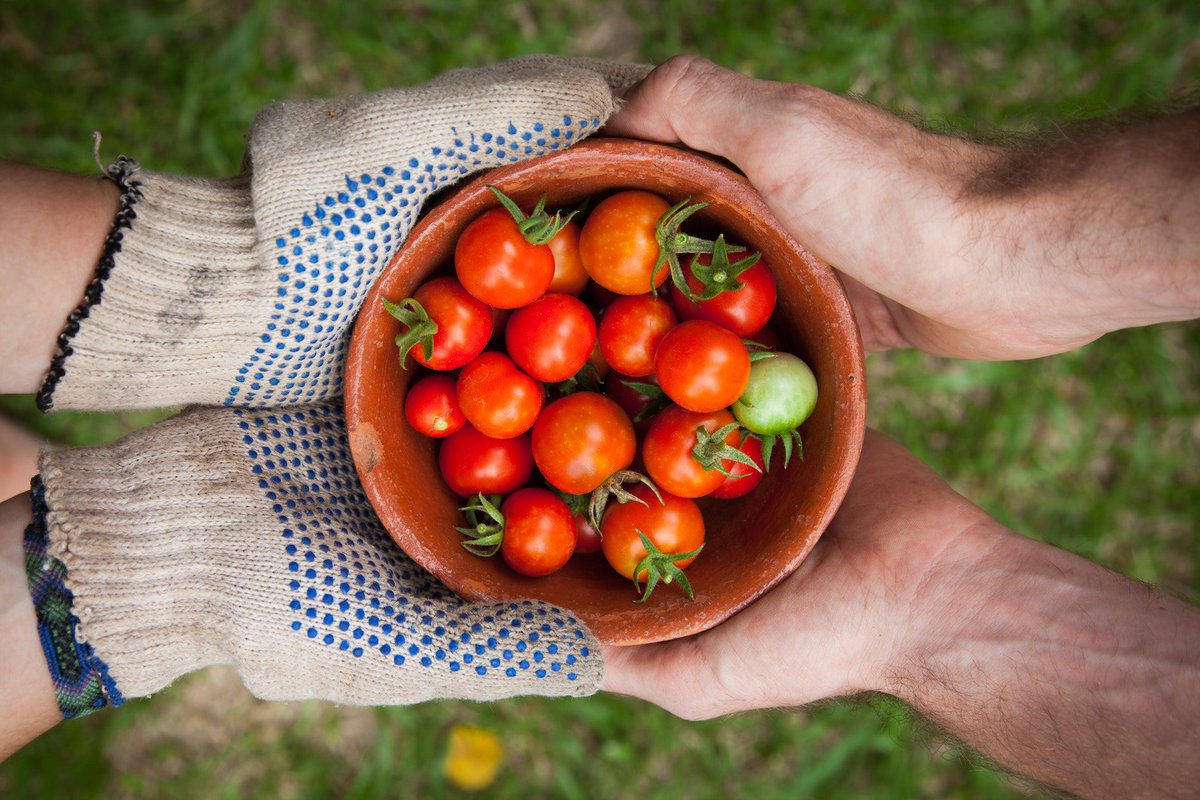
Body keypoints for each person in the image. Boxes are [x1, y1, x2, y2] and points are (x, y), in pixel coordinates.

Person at [0, 53, 1195, 798]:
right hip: (536, 375)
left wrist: (140, 566)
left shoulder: (632, 426)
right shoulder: (646, 391)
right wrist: (989, 232)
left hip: (539, 395)